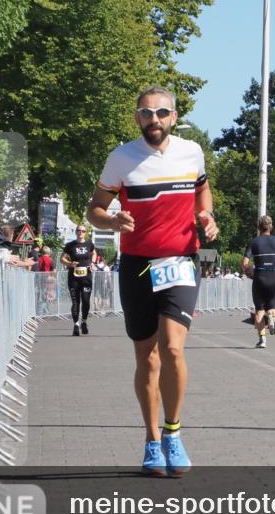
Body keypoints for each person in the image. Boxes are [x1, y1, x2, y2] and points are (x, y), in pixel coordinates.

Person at [86, 85, 218, 477]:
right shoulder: (121, 158)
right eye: (146, 113)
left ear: (174, 117)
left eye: (161, 113)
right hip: (137, 265)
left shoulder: (191, 152)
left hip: (178, 260)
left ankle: (173, 432)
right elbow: (94, 209)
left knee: (173, 349)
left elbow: (203, 191)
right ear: (137, 118)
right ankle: (151, 439)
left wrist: (206, 217)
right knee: (147, 357)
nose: (154, 120)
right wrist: (111, 220)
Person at [242, 215, 275, 349]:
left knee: (259, 311)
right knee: (272, 307)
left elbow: (245, 263)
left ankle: (262, 339)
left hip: (259, 276)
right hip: (273, 275)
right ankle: (271, 316)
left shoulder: (254, 242)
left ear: (258, 227)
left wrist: (248, 272)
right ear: (271, 227)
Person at [61, 225, 97, 335]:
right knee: (75, 302)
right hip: (74, 278)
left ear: (86, 233)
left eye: (83, 231)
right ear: (76, 232)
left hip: (86, 277)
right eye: (79, 231)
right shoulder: (70, 245)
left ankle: (84, 321)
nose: (80, 232)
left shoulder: (89, 244)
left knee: (86, 301)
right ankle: (76, 325)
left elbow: (94, 253)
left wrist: (93, 263)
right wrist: (70, 263)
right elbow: (62, 259)